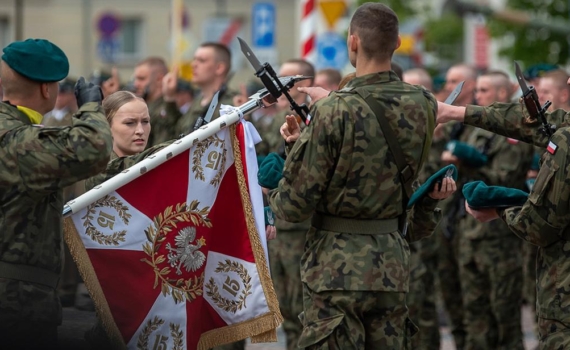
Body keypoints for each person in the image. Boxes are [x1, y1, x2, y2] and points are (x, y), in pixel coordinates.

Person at [267, 3, 437, 348]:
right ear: (398, 43)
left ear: (353, 43)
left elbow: (292, 207)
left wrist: (295, 154)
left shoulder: (333, 109)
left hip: (336, 267)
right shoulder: (423, 103)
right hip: (391, 261)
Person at [436, 80, 570, 348]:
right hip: (473, 239)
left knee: (505, 322)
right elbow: (536, 123)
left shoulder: (565, 141)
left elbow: (539, 226)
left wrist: (500, 209)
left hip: (561, 294)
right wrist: (456, 112)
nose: (568, 81)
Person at [0, 38, 112, 349]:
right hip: (16, 303)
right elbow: (95, 147)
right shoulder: (19, 141)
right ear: (48, 90)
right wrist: (91, 106)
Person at [456, 70, 532, 349]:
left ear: (502, 94)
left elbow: (504, 178)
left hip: (499, 237)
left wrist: (470, 162)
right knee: (475, 317)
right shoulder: (476, 131)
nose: (478, 96)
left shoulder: (514, 134)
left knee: (505, 319)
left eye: (485, 91)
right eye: (478, 91)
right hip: (471, 234)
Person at [163, 42, 237, 138]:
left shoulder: (232, 103)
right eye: (194, 59)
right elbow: (177, 134)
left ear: (219, 68)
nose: (193, 65)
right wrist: (170, 97)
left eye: (201, 60)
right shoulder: (197, 102)